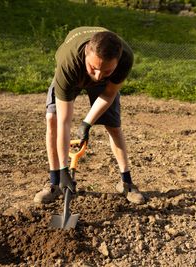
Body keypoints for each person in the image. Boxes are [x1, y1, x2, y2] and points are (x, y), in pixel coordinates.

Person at [34, 26, 145, 205]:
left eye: (106, 71)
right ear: (86, 53)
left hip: (103, 82)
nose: (98, 76)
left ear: (116, 62)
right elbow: (64, 121)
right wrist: (64, 169)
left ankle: (126, 183)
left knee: (113, 126)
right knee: (52, 119)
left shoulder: (125, 59)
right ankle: (55, 182)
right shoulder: (68, 62)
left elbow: (108, 94)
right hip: (73, 74)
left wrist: (87, 123)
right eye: (93, 68)